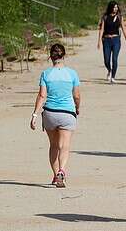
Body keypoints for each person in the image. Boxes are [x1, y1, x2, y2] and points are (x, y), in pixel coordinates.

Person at [30, 44, 80, 188]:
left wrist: (34, 115)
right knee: (64, 146)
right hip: (67, 113)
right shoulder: (72, 74)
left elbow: (42, 95)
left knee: (53, 146)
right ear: (64, 56)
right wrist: (77, 108)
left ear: (50, 57)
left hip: (50, 113)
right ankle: (62, 171)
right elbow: (76, 95)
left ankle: (55, 174)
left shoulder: (46, 74)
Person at [97, 1, 126, 83]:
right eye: (114, 7)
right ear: (110, 8)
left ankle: (113, 77)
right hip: (106, 40)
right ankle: (109, 70)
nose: (115, 9)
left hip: (116, 40)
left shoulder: (119, 17)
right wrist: (99, 41)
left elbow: (124, 29)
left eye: (116, 7)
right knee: (106, 60)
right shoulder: (105, 17)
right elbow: (102, 29)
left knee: (114, 59)